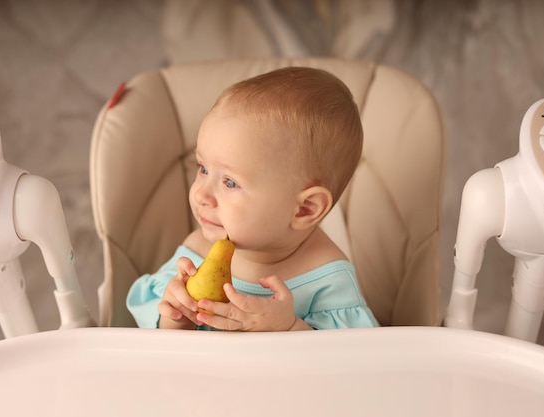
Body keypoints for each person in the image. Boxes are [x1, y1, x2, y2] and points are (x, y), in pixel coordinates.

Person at [126, 66, 379, 331]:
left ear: (304, 209)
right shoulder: (197, 253)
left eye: (230, 182)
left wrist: (290, 329)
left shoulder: (327, 282)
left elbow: (352, 359)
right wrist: (176, 317)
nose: (200, 194)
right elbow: (158, 347)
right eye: (202, 168)